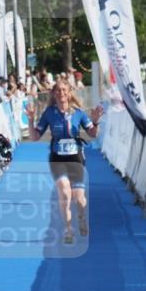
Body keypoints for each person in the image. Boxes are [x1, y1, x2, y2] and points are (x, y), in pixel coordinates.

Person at [26, 80, 103, 245]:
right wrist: (31, 121)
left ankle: (81, 217)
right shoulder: (49, 113)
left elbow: (93, 134)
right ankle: (68, 230)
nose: (61, 93)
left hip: (76, 158)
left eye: (64, 90)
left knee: (80, 199)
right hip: (57, 158)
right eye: (58, 90)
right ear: (54, 94)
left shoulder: (79, 113)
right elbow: (34, 137)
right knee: (65, 194)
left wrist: (95, 121)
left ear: (69, 93)